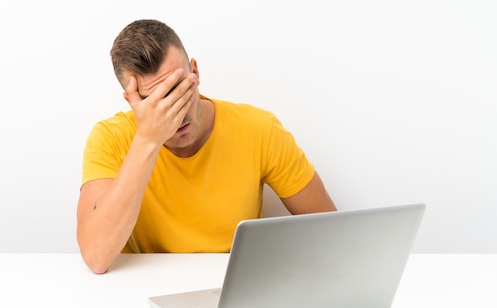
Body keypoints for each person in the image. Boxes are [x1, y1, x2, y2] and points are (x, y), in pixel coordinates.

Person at [77, 19, 336, 274]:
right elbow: (96, 257)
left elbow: (333, 234)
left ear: (195, 72)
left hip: (229, 288)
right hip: (140, 292)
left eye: (179, 90)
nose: (175, 114)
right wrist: (148, 139)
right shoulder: (110, 138)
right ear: (131, 100)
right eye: (155, 101)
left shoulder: (259, 129)